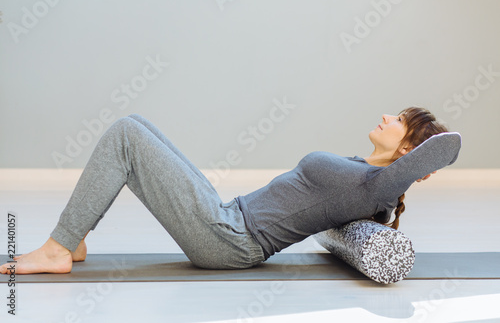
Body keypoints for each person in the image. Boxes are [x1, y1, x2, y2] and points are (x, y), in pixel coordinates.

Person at [0, 107, 461, 274]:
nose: (386, 115)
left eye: (399, 120)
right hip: (227, 215)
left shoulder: (376, 185)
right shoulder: (362, 170)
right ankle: (76, 235)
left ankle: (58, 248)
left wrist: (430, 149)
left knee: (124, 133)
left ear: (407, 149)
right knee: (137, 124)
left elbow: (426, 159)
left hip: (228, 240)